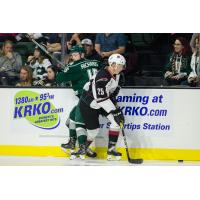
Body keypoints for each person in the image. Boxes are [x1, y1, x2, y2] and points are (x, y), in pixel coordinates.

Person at [56, 45, 102, 159]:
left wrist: (63, 69)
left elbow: (59, 78)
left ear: (82, 55)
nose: (73, 57)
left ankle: (81, 147)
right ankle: (77, 145)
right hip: (99, 97)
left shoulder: (75, 66)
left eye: (75, 54)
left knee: (78, 122)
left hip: (86, 98)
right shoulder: (95, 62)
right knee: (72, 118)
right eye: (72, 55)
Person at [77, 54, 126, 160]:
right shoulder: (102, 76)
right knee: (93, 131)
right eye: (120, 65)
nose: (122, 68)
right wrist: (115, 110)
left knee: (116, 122)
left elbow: (111, 94)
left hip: (103, 102)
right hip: (89, 104)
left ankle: (111, 149)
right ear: (113, 65)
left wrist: (116, 107)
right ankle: (83, 147)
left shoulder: (117, 75)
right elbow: (101, 98)